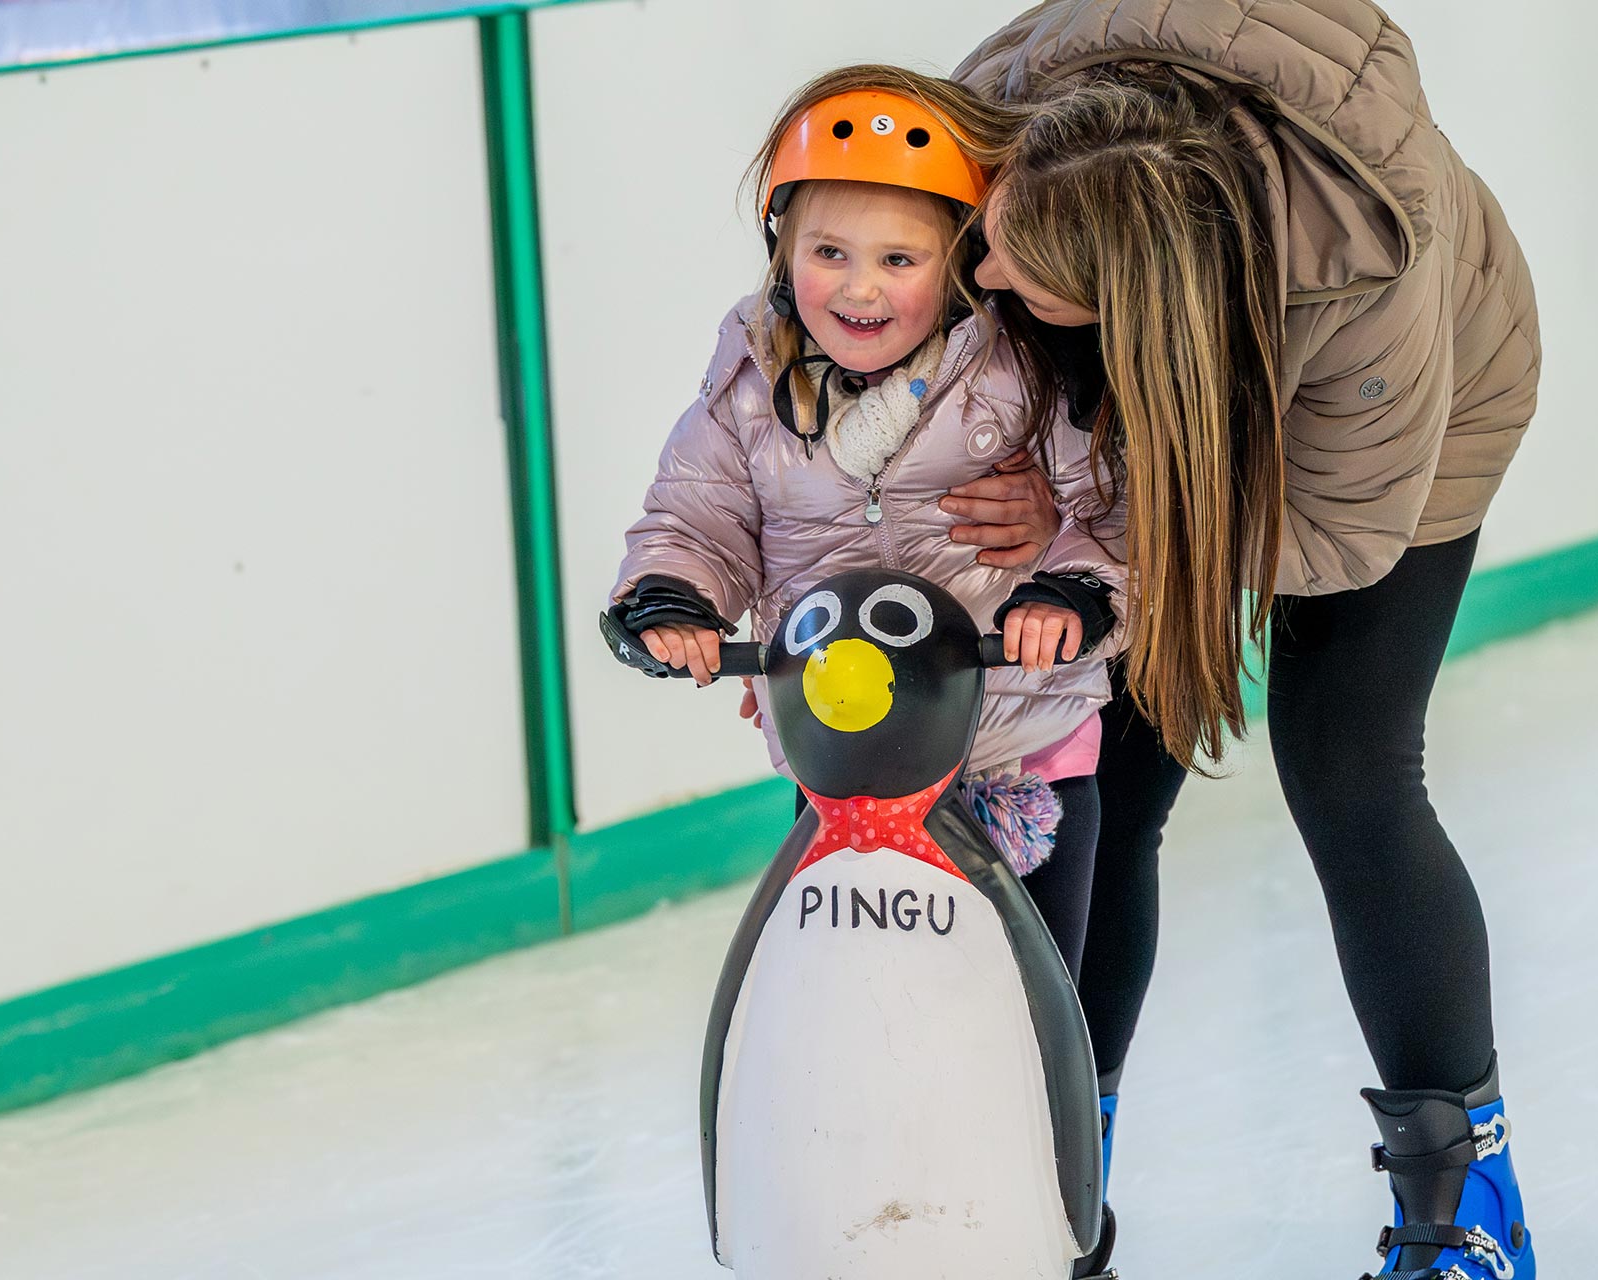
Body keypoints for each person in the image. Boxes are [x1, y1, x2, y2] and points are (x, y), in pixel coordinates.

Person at [926, 4, 1544, 1277]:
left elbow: (1338, 538)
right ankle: (1059, 1168)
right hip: (1156, 355)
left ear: (1132, 296)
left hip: (1409, 418)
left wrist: (1107, 533)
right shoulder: (993, 142)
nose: (981, 279)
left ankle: (1467, 1204)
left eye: (1016, 272)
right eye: (991, 242)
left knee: (1350, 762)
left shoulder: (1369, 277)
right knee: (1100, 767)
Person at [606, 67, 1131, 1000]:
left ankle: (1060, 1127)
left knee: (1032, 999)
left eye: (900, 260)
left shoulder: (1020, 373)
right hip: (844, 755)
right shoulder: (750, 386)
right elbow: (698, 513)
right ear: (782, 250)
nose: (860, 288)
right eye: (829, 252)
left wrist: (1071, 592)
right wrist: (674, 596)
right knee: (863, 1002)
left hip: (1023, 749)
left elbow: (1109, 511)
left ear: (961, 261)